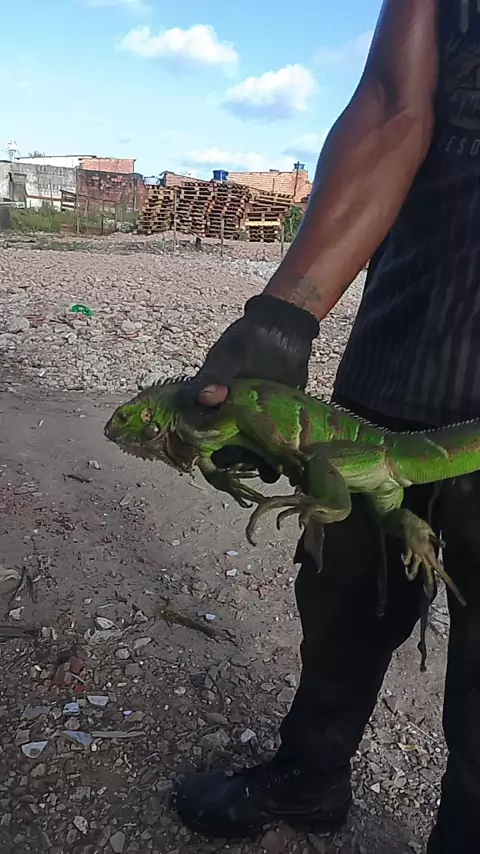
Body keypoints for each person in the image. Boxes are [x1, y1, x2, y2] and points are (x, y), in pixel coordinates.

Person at [174, 2, 480, 851]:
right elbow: (391, 104)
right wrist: (282, 318)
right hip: (398, 366)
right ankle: (311, 776)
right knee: (341, 602)